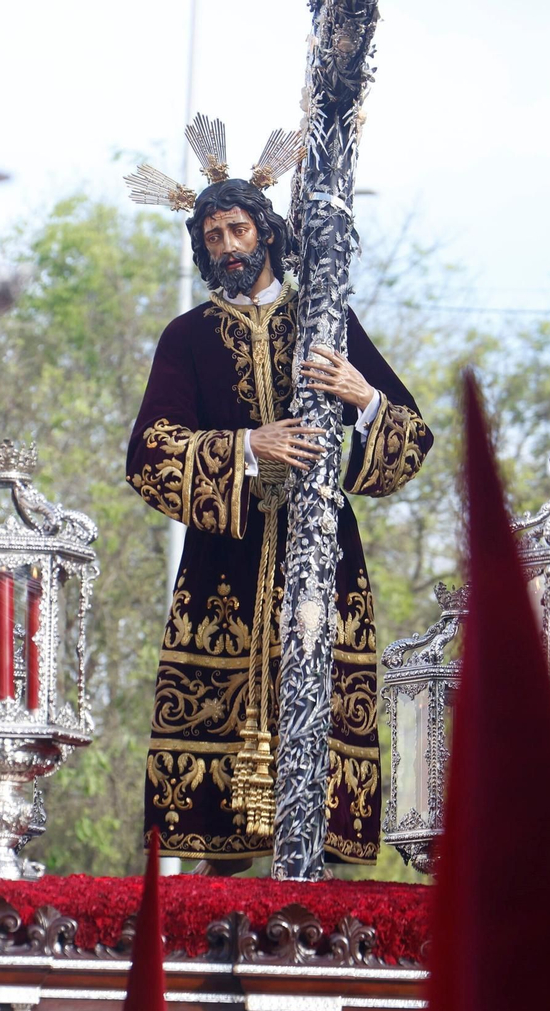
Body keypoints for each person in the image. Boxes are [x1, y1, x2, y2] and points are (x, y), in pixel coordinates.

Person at [124, 122, 432, 873]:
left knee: (323, 742)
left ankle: (318, 888)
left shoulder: (324, 321)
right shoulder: (187, 337)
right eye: (213, 236)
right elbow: (149, 454)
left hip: (322, 561)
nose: (228, 246)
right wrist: (245, 447)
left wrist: (362, 396)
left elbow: (412, 437)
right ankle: (215, 884)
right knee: (214, 798)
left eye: (238, 229)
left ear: (266, 231)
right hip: (222, 568)